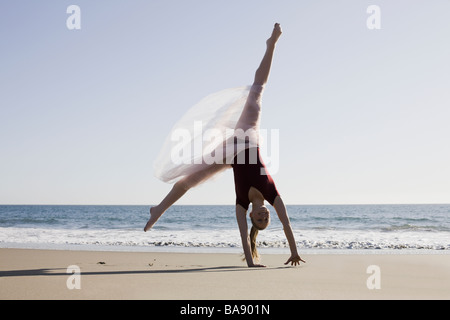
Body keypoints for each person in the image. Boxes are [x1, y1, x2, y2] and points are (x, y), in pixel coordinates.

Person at [145, 23, 305, 267]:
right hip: (246, 138)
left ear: (251, 216)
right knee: (257, 94)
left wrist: (250, 263)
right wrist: (293, 251)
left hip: (228, 156)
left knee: (189, 179)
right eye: (266, 219)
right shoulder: (273, 194)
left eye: (259, 220)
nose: (263, 216)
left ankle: (159, 210)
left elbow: (243, 235)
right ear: (268, 213)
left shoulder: (242, 204)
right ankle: (271, 45)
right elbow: (287, 224)